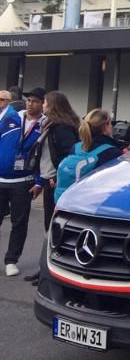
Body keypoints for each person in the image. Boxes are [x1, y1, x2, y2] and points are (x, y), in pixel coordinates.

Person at [0, 86, 44, 276]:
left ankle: (11, 259)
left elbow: (46, 157)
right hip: (1, 178)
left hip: (23, 181)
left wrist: (40, 181)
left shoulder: (45, 125)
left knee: (19, 222)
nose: (30, 103)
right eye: (28, 100)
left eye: (34, 101)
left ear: (43, 103)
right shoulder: (11, 119)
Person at [27, 92, 80, 232]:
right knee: (50, 222)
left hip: (56, 180)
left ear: (53, 106)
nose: (43, 105)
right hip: (48, 178)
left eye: (44, 102)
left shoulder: (61, 127)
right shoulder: (50, 125)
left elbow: (70, 153)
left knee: (53, 224)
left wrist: (57, 175)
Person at [54, 109, 121, 203]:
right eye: (110, 123)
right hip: (92, 202)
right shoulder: (111, 151)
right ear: (105, 126)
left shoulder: (76, 147)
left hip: (66, 200)